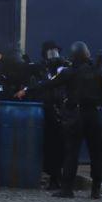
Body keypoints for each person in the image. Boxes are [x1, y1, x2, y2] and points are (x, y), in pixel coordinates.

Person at [19, 41, 102, 199]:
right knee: (96, 153)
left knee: (71, 153)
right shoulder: (98, 72)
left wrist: (26, 90)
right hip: (93, 115)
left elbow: (48, 84)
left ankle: (67, 189)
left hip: (76, 115)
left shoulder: (68, 72)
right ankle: (96, 190)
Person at [37, 41, 68, 190]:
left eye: (55, 51)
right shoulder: (43, 69)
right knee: (50, 147)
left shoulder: (64, 68)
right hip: (48, 112)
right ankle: (53, 177)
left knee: (61, 147)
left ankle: (59, 178)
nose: (53, 55)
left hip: (62, 111)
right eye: (50, 52)